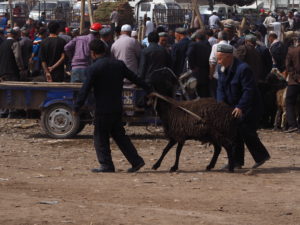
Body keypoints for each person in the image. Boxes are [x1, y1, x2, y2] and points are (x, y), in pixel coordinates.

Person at [74, 39, 152, 173]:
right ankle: (136, 161)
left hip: (102, 108)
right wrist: (150, 89)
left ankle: (106, 165)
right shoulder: (119, 65)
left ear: (92, 53)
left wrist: (77, 106)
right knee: (120, 136)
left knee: (100, 136)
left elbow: (85, 89)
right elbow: (135, 78)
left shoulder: (94, 68)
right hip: (116, 107)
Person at [216, 44, 270, 169]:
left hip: (249, 107)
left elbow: (248, 90)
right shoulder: (221, 68)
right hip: (232, 106)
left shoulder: (243, 69)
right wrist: (221, 105)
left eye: (220, 58)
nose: (218, 62)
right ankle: (236, 161)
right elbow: (220, 88)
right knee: (234, 133)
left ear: (229, 57)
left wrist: (241, 107)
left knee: (246, 131)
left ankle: (261, 156)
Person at [187, 30, 211, 97]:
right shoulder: (208, 46)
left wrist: (192, 67)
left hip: (196, 72)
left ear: (196, 38)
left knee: (194, 92)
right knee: (204, 93)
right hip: (205, 71)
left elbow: (189, 54)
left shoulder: (194, 45)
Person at [285, 36, 300, 133]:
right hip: (295, 80)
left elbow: (288, 66)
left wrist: (296, 77)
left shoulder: (292, 51)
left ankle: (293, 125)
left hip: (294, 82)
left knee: (289, 102)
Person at [209, 31, 231, 97]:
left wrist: (211, 75)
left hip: (216, 77)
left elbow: (212, 63)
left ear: (218, 39)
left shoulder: (215, 46)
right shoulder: (232, 47)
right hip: (228, 77)